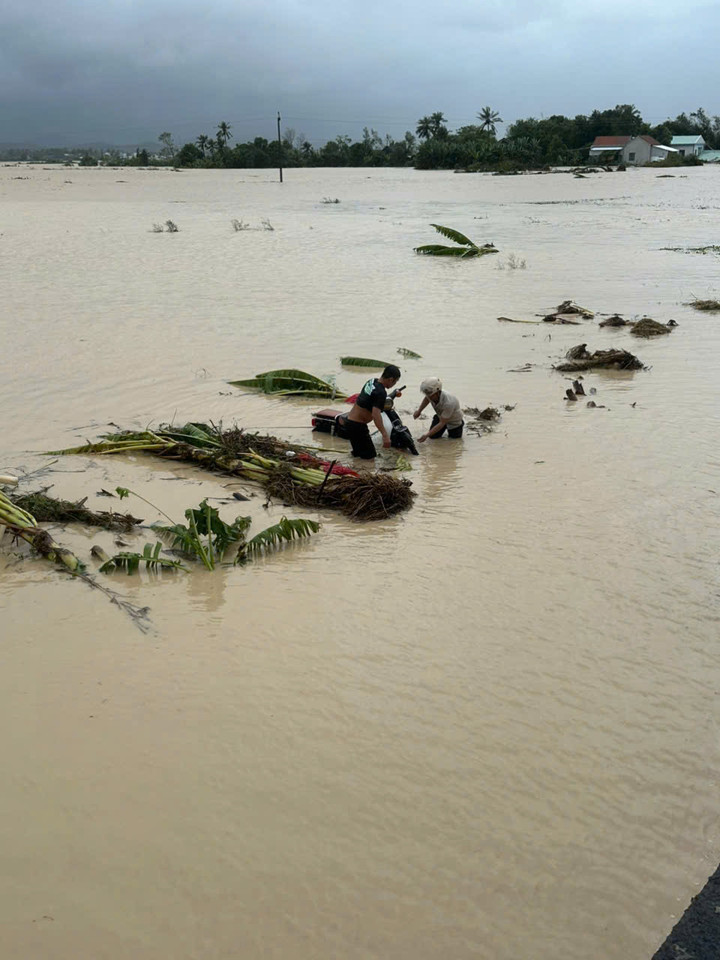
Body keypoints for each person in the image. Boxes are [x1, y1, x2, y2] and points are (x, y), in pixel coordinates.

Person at [344, 364, 401, 459]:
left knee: (358, 455)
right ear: (391, 379)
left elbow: (373, 400)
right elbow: (376, 415)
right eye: (395, 382)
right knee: (370, 458)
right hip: (358, 427)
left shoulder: (372, 382)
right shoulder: (381, 392)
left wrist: (394, 393)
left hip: (350, 422)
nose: (394, 384)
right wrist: (385, 435)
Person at [413, 377, 464, 442]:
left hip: (454, 421)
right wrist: (419, 411)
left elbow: (442, 423)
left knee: (453, 441)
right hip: (441, 416)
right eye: (427, 395)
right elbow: (427, 399)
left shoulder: (449, 402)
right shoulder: (430, 395)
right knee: (432, 437)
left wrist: (426, 435)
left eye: (431, 395)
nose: (429, 397)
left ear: (438, 392)